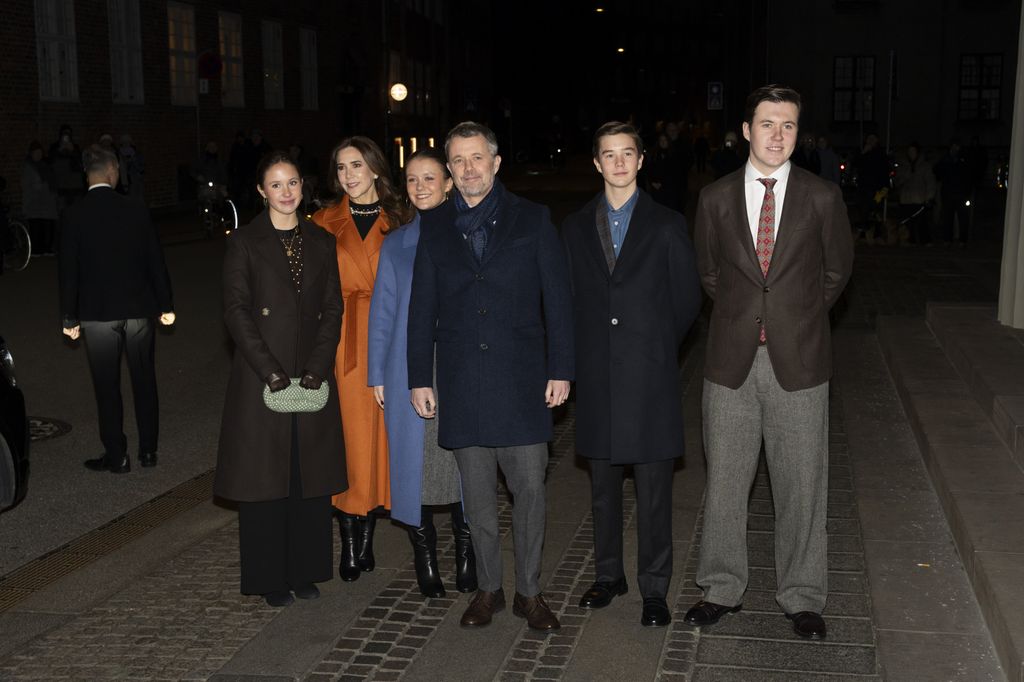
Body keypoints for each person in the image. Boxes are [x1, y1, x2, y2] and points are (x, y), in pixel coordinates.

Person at [686, 85, 853, 640]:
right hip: (730, 361)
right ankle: (721, 587)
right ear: (746, 130)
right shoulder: (713, 198)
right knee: (727, 483)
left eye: (788, 126)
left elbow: (836, 273)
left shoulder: (823, 197)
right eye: (767, 124)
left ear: (797, 133)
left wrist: (794, 316)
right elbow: (709, 274)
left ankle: (803, 596)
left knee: (803, 483)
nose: (777, 135)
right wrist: (748, 315)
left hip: (800, 361)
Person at [407, 122, 573, 631]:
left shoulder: (533, 219)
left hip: (522, 383)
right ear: (451, 171)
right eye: (458, 161)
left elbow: (559, 301)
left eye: (477, 158)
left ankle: (530, 592)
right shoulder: (433, 227)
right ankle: (488, 589)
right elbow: (421, 310)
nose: (468, 169)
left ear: (496, 162)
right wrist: (419, 377)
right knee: (477, 502)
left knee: (530, 495)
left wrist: (561, 369)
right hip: (463, 384)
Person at [562, 122, 701, 627]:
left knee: (654, 491)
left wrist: (656, 348)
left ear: (641, 160)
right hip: (599, 378)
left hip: (649, 377)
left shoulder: (666, 224)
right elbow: (570, 299)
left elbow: (687, 299)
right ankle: (607, 575)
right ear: (596, 163)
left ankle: (655, 587)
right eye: (608, 155)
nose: (618, 163)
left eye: (627, 154)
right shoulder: (576, 228)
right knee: (602, 487)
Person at [215, 150, 347, 607]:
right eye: (276, 185)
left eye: (292, 183)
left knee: (306, 475)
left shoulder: (321, 239)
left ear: (302, 186)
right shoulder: (245, 242)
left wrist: (317, 365)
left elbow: (333, 308)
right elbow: (236, 312)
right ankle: (270, 576)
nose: (286, 193)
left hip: (310, 374)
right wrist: (269, 370)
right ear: (260, 191)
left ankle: (305, 568)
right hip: (261, 379)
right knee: (265, 480)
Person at [367, 148, 477, 599]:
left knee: (466, 460)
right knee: (416, 467)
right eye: (412, 180)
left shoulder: (471, 234)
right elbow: (383, 312)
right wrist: (377, 373)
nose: (420, 187)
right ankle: (425, 554)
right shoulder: (397, 242)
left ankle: (468, 550)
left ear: (449, 181)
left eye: (430, 178)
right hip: (407, 366)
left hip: (462, 364)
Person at [312, 136, 412, 582]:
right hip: (346, 339)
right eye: (341, 168)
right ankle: (354, 540)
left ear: (375, 168)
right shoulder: (321, 221)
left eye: (356, 165)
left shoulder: (405, 216)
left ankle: (406, 520)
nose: (349, 176)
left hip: (396, 333)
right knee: (352, 440)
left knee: (394, 438)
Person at [59, 145, 176, 473]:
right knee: (144, 378)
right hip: (138, 308)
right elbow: (155, 260)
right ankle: (148, 451)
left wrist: (69, 315)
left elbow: (69, 270)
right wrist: (165, 304)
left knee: (106, 385)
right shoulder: (135, 208)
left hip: (97, 314)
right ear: (113, 173)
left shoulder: (74, 214)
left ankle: (117, 454)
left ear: (88, 176)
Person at [21, 140, 59, 255]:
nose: (38, 155)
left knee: (46, 226)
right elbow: (27, 185)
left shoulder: (45, 165)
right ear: (31, 153)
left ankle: (46, 248)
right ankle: (36, 249)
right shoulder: (28, 167)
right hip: (34, 202)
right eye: (36, 152)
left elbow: (52, 181)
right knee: (36, 226)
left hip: (47, 202)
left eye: (40, 152)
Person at [894, 143, 936, 245]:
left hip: (919, 198)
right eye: (909, 151)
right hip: (906, 199)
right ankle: (909, 240)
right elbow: (897, 182)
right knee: (908, 223)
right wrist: (905, 176)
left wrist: (929, 197)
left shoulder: (925, 166)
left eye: (913, 151)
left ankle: (925, 241)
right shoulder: (903, 166)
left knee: (922, 222)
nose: (911, 153)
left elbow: (930, 182)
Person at [934, 139, 972, 246]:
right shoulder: (945, 160)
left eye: (957, 147)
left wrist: (967, 192)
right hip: (948, 194)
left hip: (961, 195)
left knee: (963, 218)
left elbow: (969, 176)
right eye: (953, 147)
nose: (955, 149)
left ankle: (962, 240)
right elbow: (937, 171)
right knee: (948, 218)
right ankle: (947, 239)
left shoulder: (964, 161)